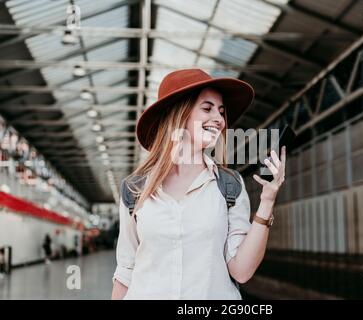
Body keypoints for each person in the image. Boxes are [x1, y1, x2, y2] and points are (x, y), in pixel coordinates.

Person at [111, 69, 286, 300]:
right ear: (180, 114)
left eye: (221, 112)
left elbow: (241, 271)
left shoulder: (229, 187)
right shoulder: (135, 189)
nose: (220, 119)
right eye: (207, 108)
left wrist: (267, 201)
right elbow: (126, 271)